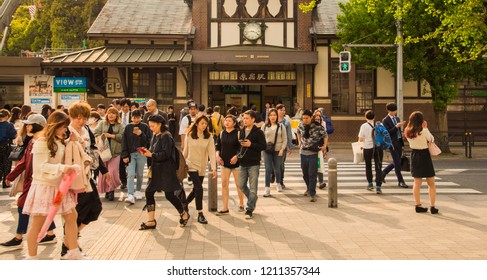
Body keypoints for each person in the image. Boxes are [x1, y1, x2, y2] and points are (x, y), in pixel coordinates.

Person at [22, 110, 86, 260]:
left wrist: (76, 141)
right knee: (38, 222)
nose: (66, 129)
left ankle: (74, 252)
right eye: (63, 126)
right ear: (55, 125)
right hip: (44, 187)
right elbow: (40, 168)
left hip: (60, 186)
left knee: (71, 216)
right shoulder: (42, 142)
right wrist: (63, 168)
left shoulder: (60, 140)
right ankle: (31, 257)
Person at [1, 114, 57, 249]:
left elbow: (30, 162)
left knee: (23, 206)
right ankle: (50, 234)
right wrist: (10, 176)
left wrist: (11, 176)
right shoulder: (33, 141)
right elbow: (24, 161)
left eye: (29, 124)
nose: (27, 127)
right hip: (32, 180)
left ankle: (19, 237)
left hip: (36, 180)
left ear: (37, 125)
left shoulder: (41, 141)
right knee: (39, 208)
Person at [139, 115, 189, 229]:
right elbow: (154, 150)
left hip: (166, 170)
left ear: (160, 124)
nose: (151, 128)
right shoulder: (155, 135)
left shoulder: (166, 136)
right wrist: (148, 152)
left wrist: (151, 155)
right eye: (150, 126)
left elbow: (166, 154)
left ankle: (183, 213)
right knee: (148, 192)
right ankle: (151, 220)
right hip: (156, 169)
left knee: (169, 195)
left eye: (153, 126)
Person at [183, 114, 217, 224]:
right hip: (191, 165)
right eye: (202, 123)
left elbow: (212, 153)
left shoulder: (209, 137)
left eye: (206, 124)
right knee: (199, 188)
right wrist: (182, 164)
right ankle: (200, 213)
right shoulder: (189, 135)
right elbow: (185, 151)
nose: (204, 125)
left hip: (202, 166)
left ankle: (184, 204)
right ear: (197, 123)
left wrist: (214, 168)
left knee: (195, 190)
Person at [404, 111, 439, 214]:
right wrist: (426, 127)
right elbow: (431, 139)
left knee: (417, 183)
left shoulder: (407, 131)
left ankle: (418, 205)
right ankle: (432, 206)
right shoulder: (423, 130)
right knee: (431, 183)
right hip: (424, 155)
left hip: (414, 155)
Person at [237, 110, 266, 219]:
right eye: (243, 118)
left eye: (247, 118)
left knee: (253, 188)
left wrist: (251, 144)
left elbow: (263, 146)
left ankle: (249, 209)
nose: (244, 120)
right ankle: (252, 198)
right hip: (243, 163)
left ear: (253, 119)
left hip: (254, 163)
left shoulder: (258, 132)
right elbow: (238, 147)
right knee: (241, 185)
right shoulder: (241, 131)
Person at [215, 115, 245, 214]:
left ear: (234, 123)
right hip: (224, 162)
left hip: (236, 163)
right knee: (224, 184)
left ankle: (241, 204)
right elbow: (218, 147)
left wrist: (236, 156)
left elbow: (242, 148)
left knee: (239, 185)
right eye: (226, 120)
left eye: (229, 121)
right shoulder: (221, 133)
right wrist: (217, 155)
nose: (227, 122)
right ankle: (225, 207)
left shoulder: (239, 133)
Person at [93, 107, 124, 201]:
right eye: (109, 113)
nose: (111, 115)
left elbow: (122, 137)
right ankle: (107, 190)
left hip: (115, 152)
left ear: (116, 115)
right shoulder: (102, 123)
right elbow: (95, 133)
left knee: (113, 171)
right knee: (104, 172)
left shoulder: (120, 125)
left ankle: (111, 189)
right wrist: (100, 138)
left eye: (113, 113)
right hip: (104, 151)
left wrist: (112, 136)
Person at [121, 109, 151, 204]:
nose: (136, 120)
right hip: (131, 154)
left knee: (139, 174)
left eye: (138, 117)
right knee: (130, 174)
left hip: (142, 153)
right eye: (134, 117)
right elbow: (124, 142)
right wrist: (124, 155)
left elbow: (149, 141)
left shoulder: (145, 127)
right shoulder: (128, 127)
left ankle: (138, 190)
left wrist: (141, 134)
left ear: (141, 117)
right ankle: (130, 194)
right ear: (131, 117)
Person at [297, 109, 327, 202]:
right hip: (303, 153)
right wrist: (299, 142)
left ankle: (312, 193)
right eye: (303, 118)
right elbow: (298, 132)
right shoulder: (300, 125)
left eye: (307, 118)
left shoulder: (317, 126)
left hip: (313, 153)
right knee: (305, 173)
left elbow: (325, 135)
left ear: (311, 118)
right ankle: (308, 188)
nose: (305, 120)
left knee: (312, 174)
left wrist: (325, 146)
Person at [381, 103, 408, 188]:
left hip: (399, 141)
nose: (394, 112)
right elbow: (387, 133)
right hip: (392, 143)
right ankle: (400, 181)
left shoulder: (397, 118)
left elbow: (398, 131)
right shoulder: (385, 120)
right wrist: (396, 126)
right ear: (389, 111)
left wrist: (402, 134)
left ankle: (382, 174)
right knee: (397, 162)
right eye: (393, 111)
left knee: (398, 161)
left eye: (395, 110)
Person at [261, 108, 287, 197]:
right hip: (267, 150)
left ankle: (278, 183)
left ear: (277, 116)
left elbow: (285, 139)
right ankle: (267, 188)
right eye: (271, 115)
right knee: (268, 169)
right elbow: (261, 138)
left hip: (278, 151)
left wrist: (282, 149)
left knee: (277, 168)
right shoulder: (264, 126)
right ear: (268, 116)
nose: (272, 117)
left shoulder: (281, 126)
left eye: (274, 115)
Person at [358, 110, 384, 194]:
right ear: (374, 117)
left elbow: (361, 139)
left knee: (368, 165)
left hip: (367, 148)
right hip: (378, 148)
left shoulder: (364, 126)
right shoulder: (379, 124)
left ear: (366, 117)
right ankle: (378, 187)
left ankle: (370, 183)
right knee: (378, 166)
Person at [276, 104, 293, 189]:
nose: (283, 111)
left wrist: (289, 146)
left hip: (283, 146)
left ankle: (281, 181)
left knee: (281, 164)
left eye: (284, 110)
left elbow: (289, 134)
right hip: (273, 146)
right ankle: (274, 177)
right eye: (281, 110)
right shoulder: (272, 120)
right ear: (277, 110)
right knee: (274, 164)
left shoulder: (286, 122)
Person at [0, 109, 17, 188]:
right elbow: (13, 135)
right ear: (7, 116)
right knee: (6, 164)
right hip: (5, 146)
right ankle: (5, 182)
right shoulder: (9, 125)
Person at [312, 110, 329, 190]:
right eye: (316, 119)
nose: (317, 121)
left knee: (320, 166)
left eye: (318, 119)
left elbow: (325, 138)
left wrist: (325, 149)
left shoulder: (322, 127)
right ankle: (313, 182)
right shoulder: (310, 127)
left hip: (319, 149)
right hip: (311, 150)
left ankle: (321, 182)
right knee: (313, 167)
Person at [119, 98, 132, 190]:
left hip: (131, 142)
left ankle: (130, 178)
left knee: (131, 162)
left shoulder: (133, 115)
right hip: (120, 142)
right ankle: (123, 181)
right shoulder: (117, 115)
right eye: (123, 107)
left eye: (127, 107)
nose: (125, 108)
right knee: (120, 163)